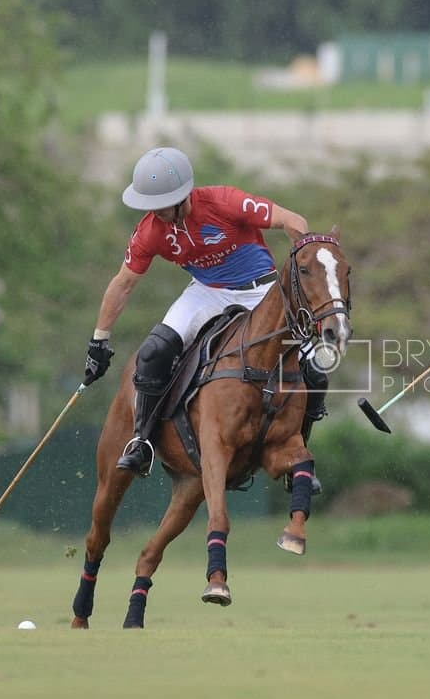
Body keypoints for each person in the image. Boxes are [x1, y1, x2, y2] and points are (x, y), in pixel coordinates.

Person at [81, 146, 328, 477]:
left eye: (161, 206)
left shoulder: (225, 202)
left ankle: (298, 444)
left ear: (183, 196)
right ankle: (143, 442)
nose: (155, 213)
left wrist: (305, 263)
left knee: (314, 366)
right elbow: (123, 284)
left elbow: (293, 220)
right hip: (207, 292)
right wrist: (100, 339)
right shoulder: (150, 231)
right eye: (150, 206)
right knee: (154, 351)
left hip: (261, 290)